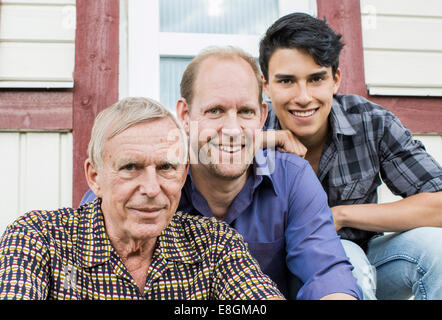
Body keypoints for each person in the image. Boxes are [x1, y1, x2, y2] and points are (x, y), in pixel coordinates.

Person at [82, 47, 362, 300]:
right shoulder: (145, 186)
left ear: (262, 117)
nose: (231, 129)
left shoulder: (291, 177)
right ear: (185, 115)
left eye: (245, 112)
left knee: (354, 264)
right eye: (215, 111)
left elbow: (326, 273)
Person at [0, 97, 284, 300]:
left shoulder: (213, 244)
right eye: (130, 168)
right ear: (95, 177)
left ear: (183, 173)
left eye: (166, 168)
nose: (151, 188)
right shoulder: (39, 237)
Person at [259, 12, 442, 300]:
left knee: (437, 249)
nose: (303, 96)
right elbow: (192, 152)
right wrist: (255, 141)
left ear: (335, 79)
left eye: (316, 78)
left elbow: (439, 204)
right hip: (279, 275)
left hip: (368, 259)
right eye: (287, 81)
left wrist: (341, 215)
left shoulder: (370, 121)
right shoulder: (252, 132)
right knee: (346, 260)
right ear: (266, 85)